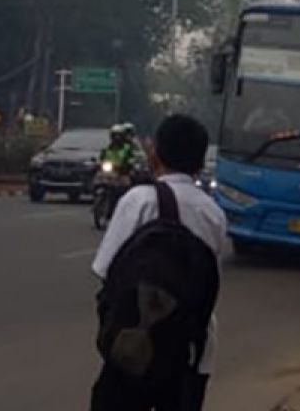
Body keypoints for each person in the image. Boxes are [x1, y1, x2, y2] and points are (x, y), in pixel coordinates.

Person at [90, 114, 226, 411]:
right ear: (200, 163)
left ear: (156, 153)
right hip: (189, 350)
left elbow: (104, 270)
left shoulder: (139, 200)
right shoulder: (213, 213)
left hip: (132, 345)